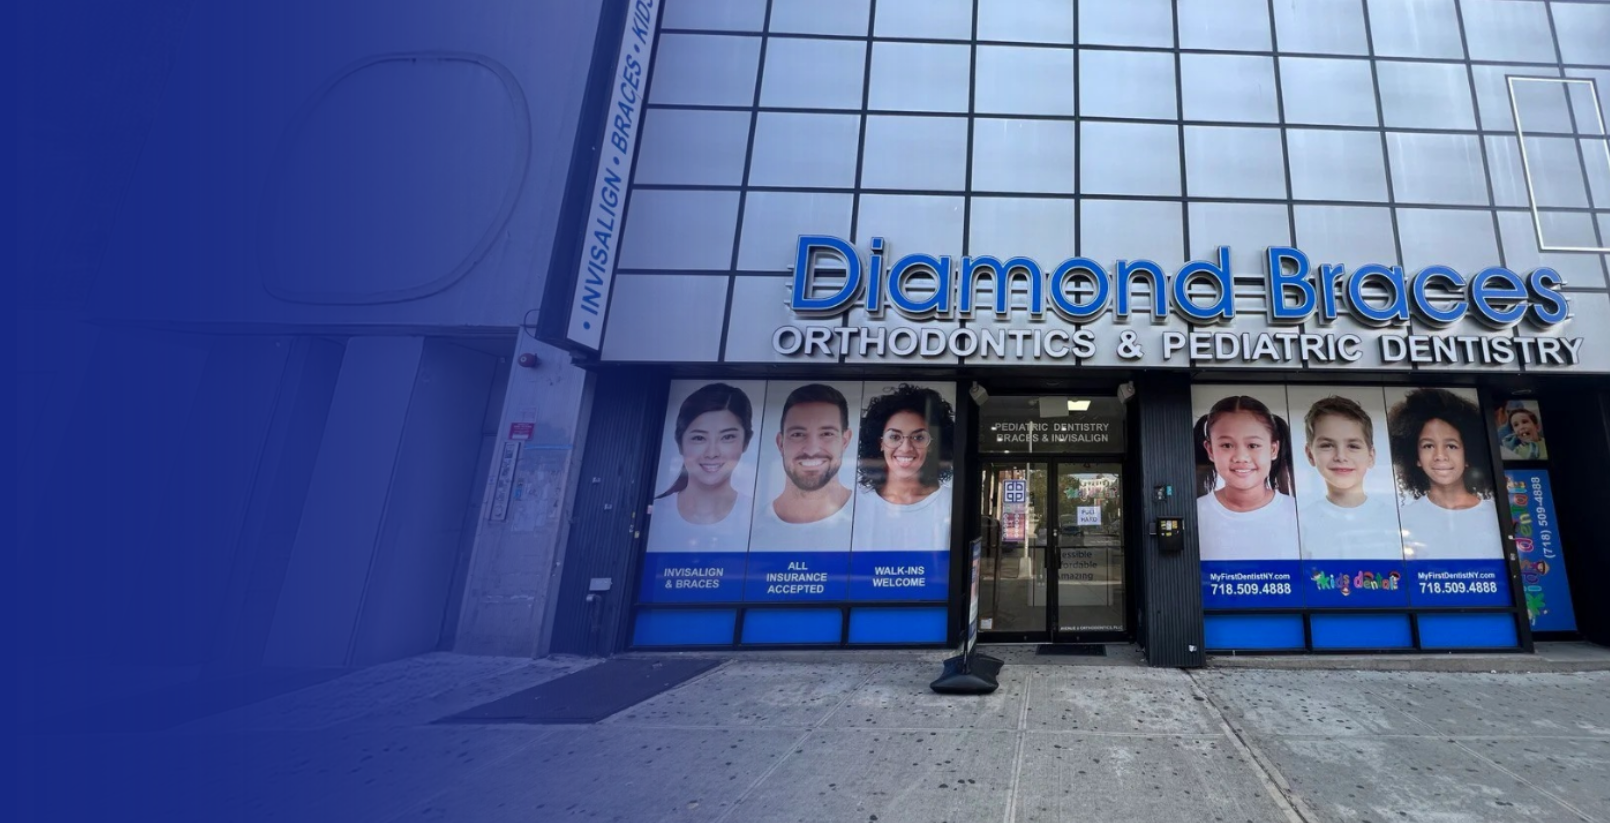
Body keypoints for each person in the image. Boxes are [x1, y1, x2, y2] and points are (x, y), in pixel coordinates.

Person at [1388, 388, 1501, 562]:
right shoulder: (1402, 520)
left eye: (1451, 446)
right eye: (1428, 446)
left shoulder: (1496, 515)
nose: (1440, 456)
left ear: (1468, 455)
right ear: (1415, 457)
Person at [645, 382, 756, 553]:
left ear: (745, 442)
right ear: (680, 443)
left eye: (727, 437)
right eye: (699, 438)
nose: (712, 453)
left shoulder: (757, 514)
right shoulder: (655, 512)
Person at [748, 384, 855, 550]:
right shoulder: (752, 525)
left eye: (827, 434)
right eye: (798, 434)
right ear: (780, 443)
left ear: (845, 440)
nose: (811, 450)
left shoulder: (872, 517)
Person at [1296, 396, 1404, 561]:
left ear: (1371, 456)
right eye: (1327, 445)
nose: (1341, 456)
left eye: (1353, 446)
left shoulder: (1397, 521)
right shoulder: (1300, 524)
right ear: (1310, 454)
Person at [1194, 395, 1300, 562]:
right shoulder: (1196, 513)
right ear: (1210, 450)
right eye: (1227, 445)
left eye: (1253, 445)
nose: (1241, 457)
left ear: (1273, 449)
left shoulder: (1298, 513)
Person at [850, 384, 956, 551]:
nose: (906, 447)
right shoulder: (855, 504)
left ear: (932, 445)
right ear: (880, 443)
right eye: (895, 436)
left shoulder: (951, 503)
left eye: (919, 437)